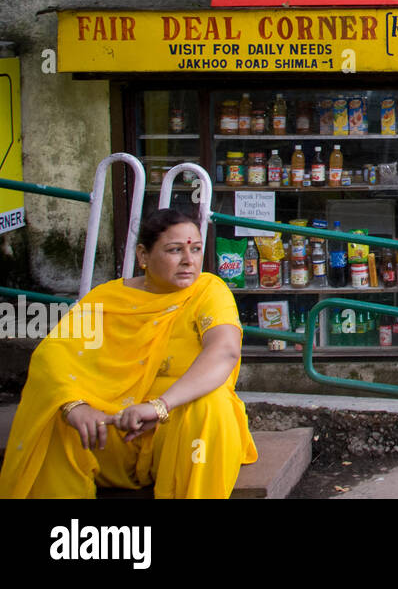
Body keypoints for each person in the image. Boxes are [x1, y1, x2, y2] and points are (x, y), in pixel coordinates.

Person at [0, 207, 258, 498]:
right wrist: (74, 406)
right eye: (175, 250)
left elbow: (224, 351)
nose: (189, 261)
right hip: (111, 431)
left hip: (178, 433)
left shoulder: (209, 291)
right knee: (54, 413)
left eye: (196, 249)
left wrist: (160, 406)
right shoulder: (107, 299)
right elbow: (54, 354)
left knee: (211, 405)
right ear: (143, 256)